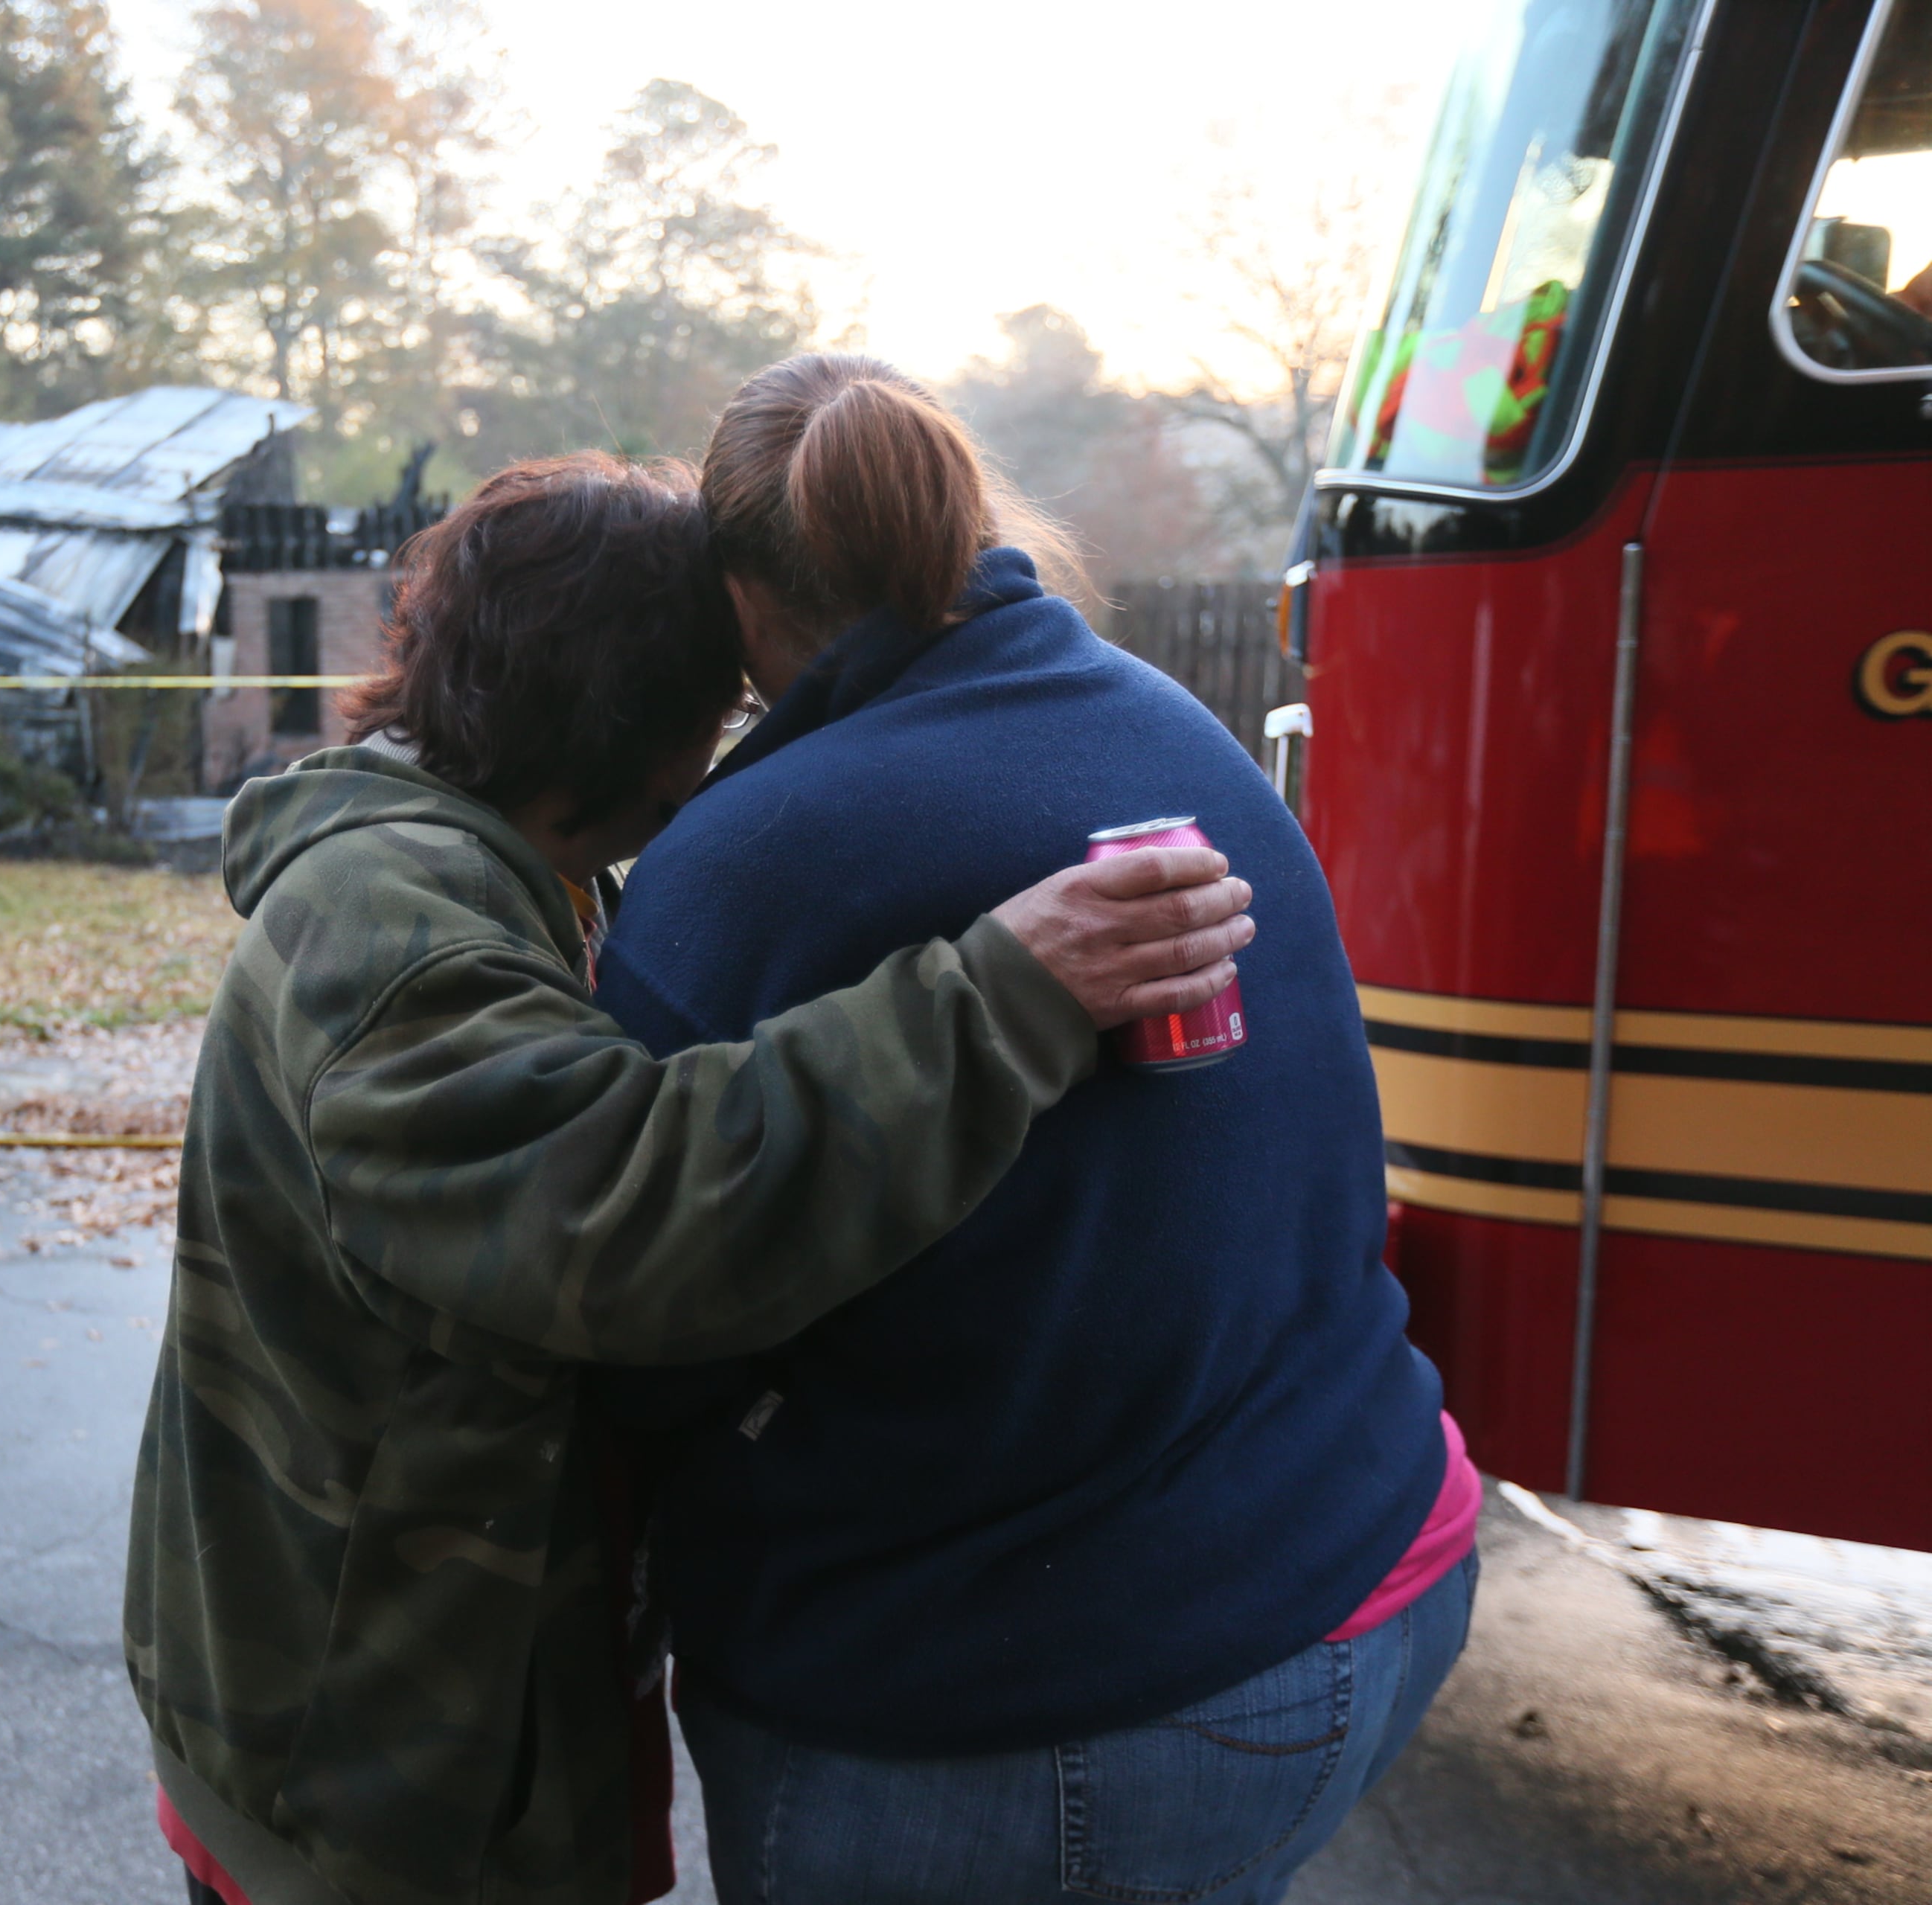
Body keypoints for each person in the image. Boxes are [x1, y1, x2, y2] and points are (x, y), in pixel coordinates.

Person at [124, 452, 1256, 1905]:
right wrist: (1003, 995)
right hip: (362, 1760)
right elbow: (635, 1210)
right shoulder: (397, 929)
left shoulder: (468, 854)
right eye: (728, 706)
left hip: (369, 1702)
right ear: (643, 731)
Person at [594, 356, 1477, 1905]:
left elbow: (635, 1309)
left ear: (736, 599)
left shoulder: (747, 860)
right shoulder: (1164, 724)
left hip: (1027, 1710)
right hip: (1372, 1555)